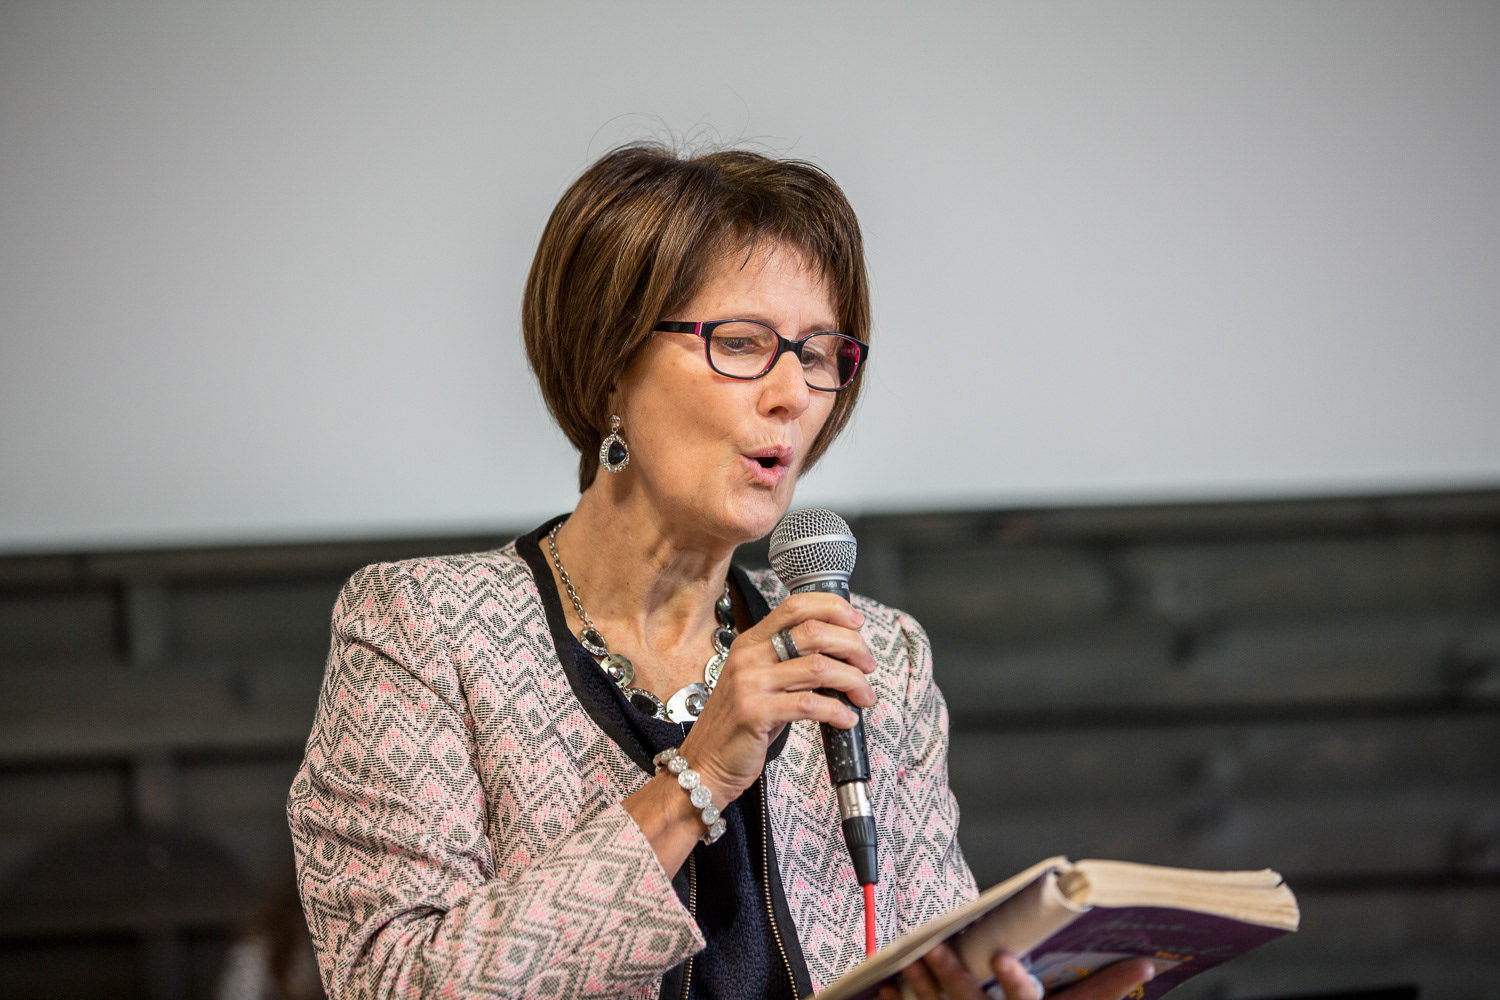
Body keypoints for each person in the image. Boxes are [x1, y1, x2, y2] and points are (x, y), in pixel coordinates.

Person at [287, 143, 1153, 1000]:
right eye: (742, 343)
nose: (794, 394)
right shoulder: (423, 628)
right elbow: (391, 981)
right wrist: (694, 783)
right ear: (610, 370)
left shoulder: (874, 656)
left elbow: (924, 967)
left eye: (817, 354)